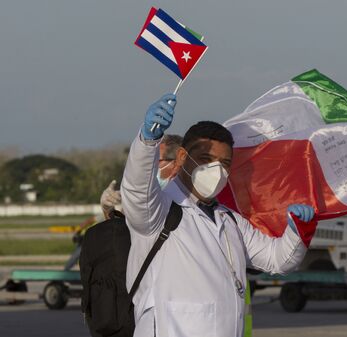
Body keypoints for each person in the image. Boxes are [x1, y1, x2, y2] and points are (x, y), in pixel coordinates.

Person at [121, 94, 313, 337]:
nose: (217, 170)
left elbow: (278, 260)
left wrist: (297, 232)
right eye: (205, 159)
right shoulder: (158, 212)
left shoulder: (228, 219)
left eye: (224, 163)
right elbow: (137, 191)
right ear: (182, 157)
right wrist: (147, 142)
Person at [100, 134, 183, 219]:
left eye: (155, 161)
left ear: (177, 163)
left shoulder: (188, 200)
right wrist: (108, 210)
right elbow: (123, 229)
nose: (149, 167)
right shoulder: (144, 196)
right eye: (148, 162)